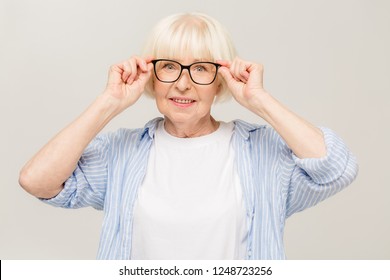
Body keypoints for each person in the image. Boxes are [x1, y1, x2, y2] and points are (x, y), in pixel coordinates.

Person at [19, 12, 358, 260]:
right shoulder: (120, 153)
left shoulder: (262, 153)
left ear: (220, 80)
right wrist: (108, 103)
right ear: (152, 75)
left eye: (201, 68)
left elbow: (337, 170)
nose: (183, 83)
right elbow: (37, 181)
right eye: (169, 66)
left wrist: (260, 101)